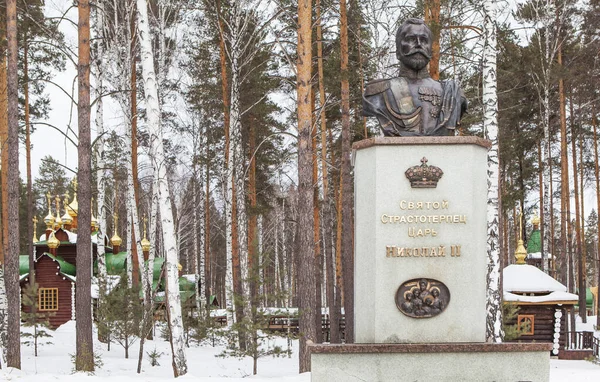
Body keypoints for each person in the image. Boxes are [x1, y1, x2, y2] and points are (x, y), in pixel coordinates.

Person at [363, 18, 467, 136]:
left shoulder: (453, 93)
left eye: (424, 40)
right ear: (398, 51)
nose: (418, 44)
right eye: (411, 39)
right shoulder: (377, 92)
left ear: (430, 51)